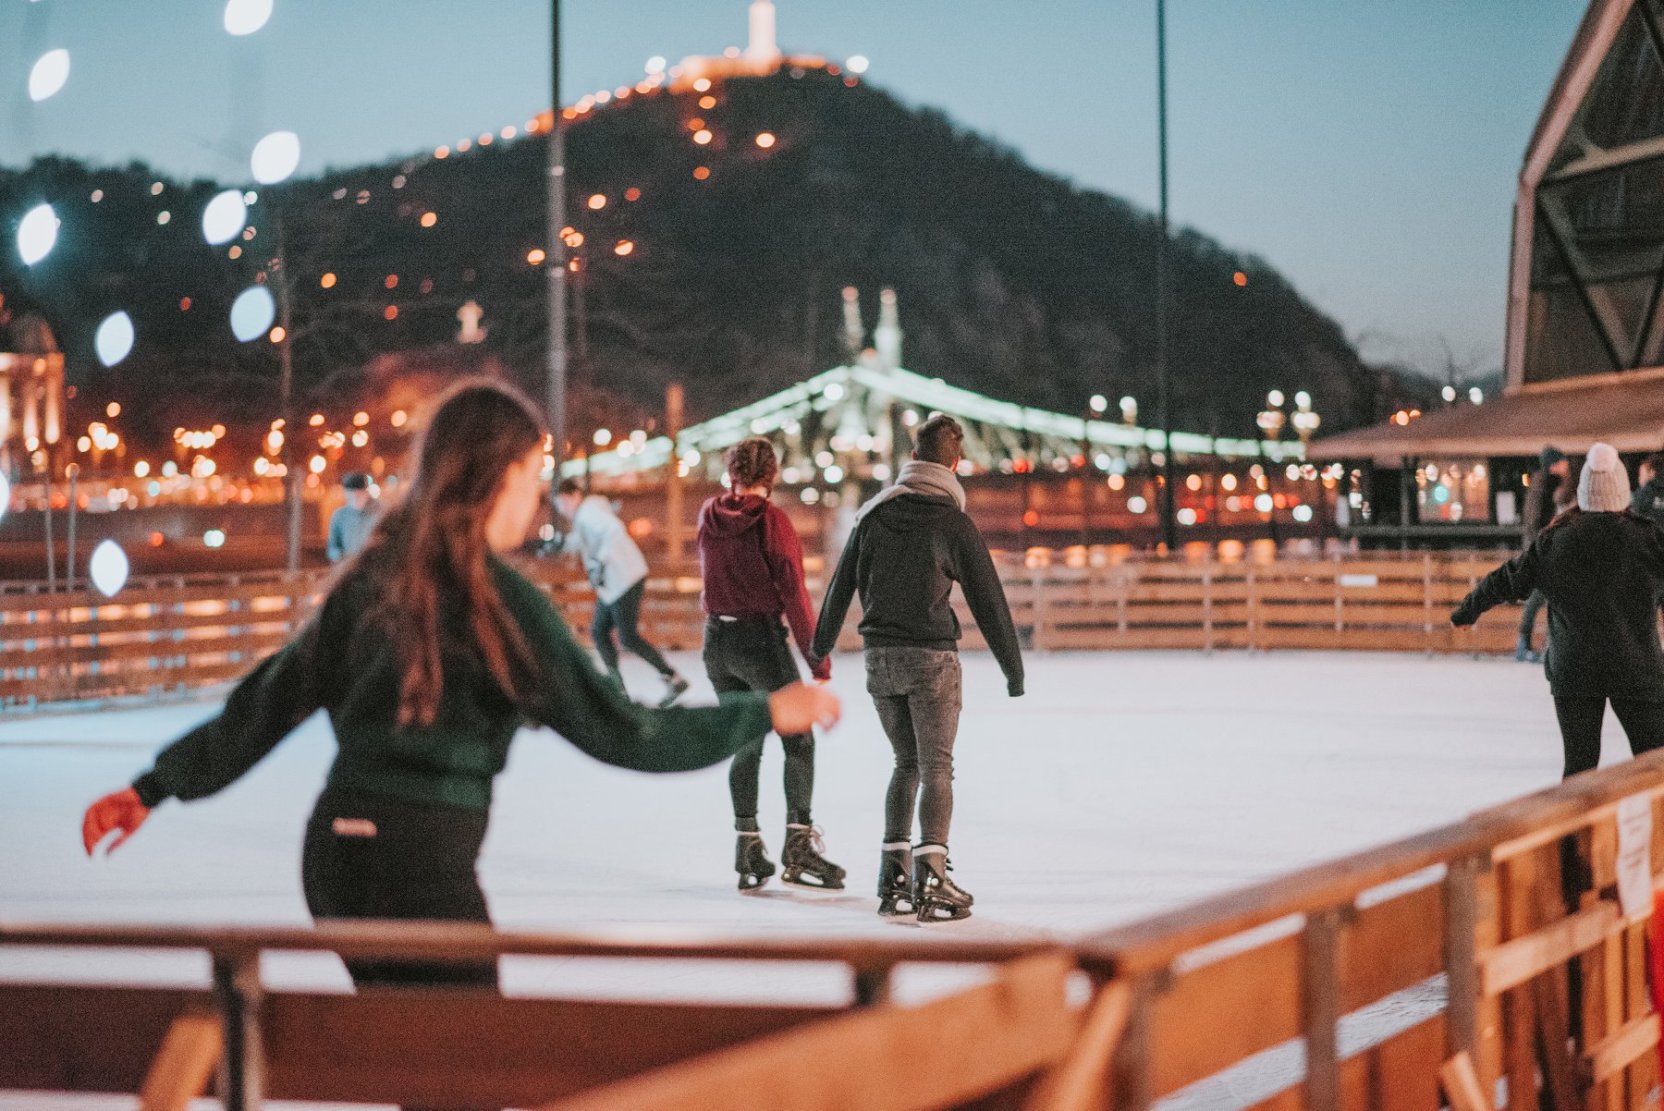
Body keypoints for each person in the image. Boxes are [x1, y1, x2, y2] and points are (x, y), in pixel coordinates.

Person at [81, 381, 840, 990]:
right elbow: (626, 732)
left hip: (334, 864)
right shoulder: (500, 603)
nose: (537, 498)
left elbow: (265, 703)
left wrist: (153, 786)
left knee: (425, 1073)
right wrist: (768, 708)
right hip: (423, 866)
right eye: (531, 478)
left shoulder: (373, 578)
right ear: (498, 477)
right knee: (464, 1072)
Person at [812, 414, 1024, 922]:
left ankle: (893, 878)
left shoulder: (874, 515)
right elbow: (989, 599)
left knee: (904, 765)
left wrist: (819, 647)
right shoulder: (950, 521)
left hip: (880, 662)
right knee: (936, 769)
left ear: (912, 456)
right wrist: (1012, 669)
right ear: (956, 462)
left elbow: (840, 588)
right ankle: (933, 877)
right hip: (931, 659)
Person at [1452, 443, 1664, 780]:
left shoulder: (1556, 539)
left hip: (1575, 669)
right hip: (1635, 667)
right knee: (1656, 766)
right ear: (1622, 489)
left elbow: (1507, 578)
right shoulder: (1647, 538)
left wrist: (1467, 610)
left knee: (1579, 769)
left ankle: (1575, 834)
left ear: (1584, 491)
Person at [698, 438, 844, 892]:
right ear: (773, 475)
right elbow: (794, 594)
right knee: (798, 739)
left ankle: (748, 848)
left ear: (732, 473)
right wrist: (816, 657)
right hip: (760, 641)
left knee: (746, 738)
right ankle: (798, 849)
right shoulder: (772, 522)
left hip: (717, 642)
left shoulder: (708, 514)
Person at [552, 478, 689, 707]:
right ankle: (619, 687)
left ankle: (668, 679)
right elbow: (586, 539)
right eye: (559, 506)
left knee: (625, 636)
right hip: (617, 584)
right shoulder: (587, 514)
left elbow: (614, 530)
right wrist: (562, 545)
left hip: (624, 580)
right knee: (599, 631)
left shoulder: (588, 514)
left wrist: (599, 563)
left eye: (564, 503)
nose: (563, 510)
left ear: (576, 496)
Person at [1517, 447, 1571, 662]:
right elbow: (1537, 522)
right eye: (1564, 462)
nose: (1567, 466)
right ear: (1554, 465)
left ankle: (1534, 644)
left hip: (1542, 551)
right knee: (1547, 598)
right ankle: (1535, 644)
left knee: (1547, 598)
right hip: (1543, 552)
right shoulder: (1547, 486)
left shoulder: (1542, 484)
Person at [327, 472, 377, 562]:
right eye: (350, 496)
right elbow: (332, 548)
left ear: (366, 492)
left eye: (358, 495)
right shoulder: (340, 516)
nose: (354, 499)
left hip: (374, 567)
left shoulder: (380, 512)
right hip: (349, 569)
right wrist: (343, 557)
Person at [1632, 452, 1664, 529]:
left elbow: (1635, 517)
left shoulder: (1644, 492)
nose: (1639, 479)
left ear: (1652, 473)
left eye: (1641, 474)